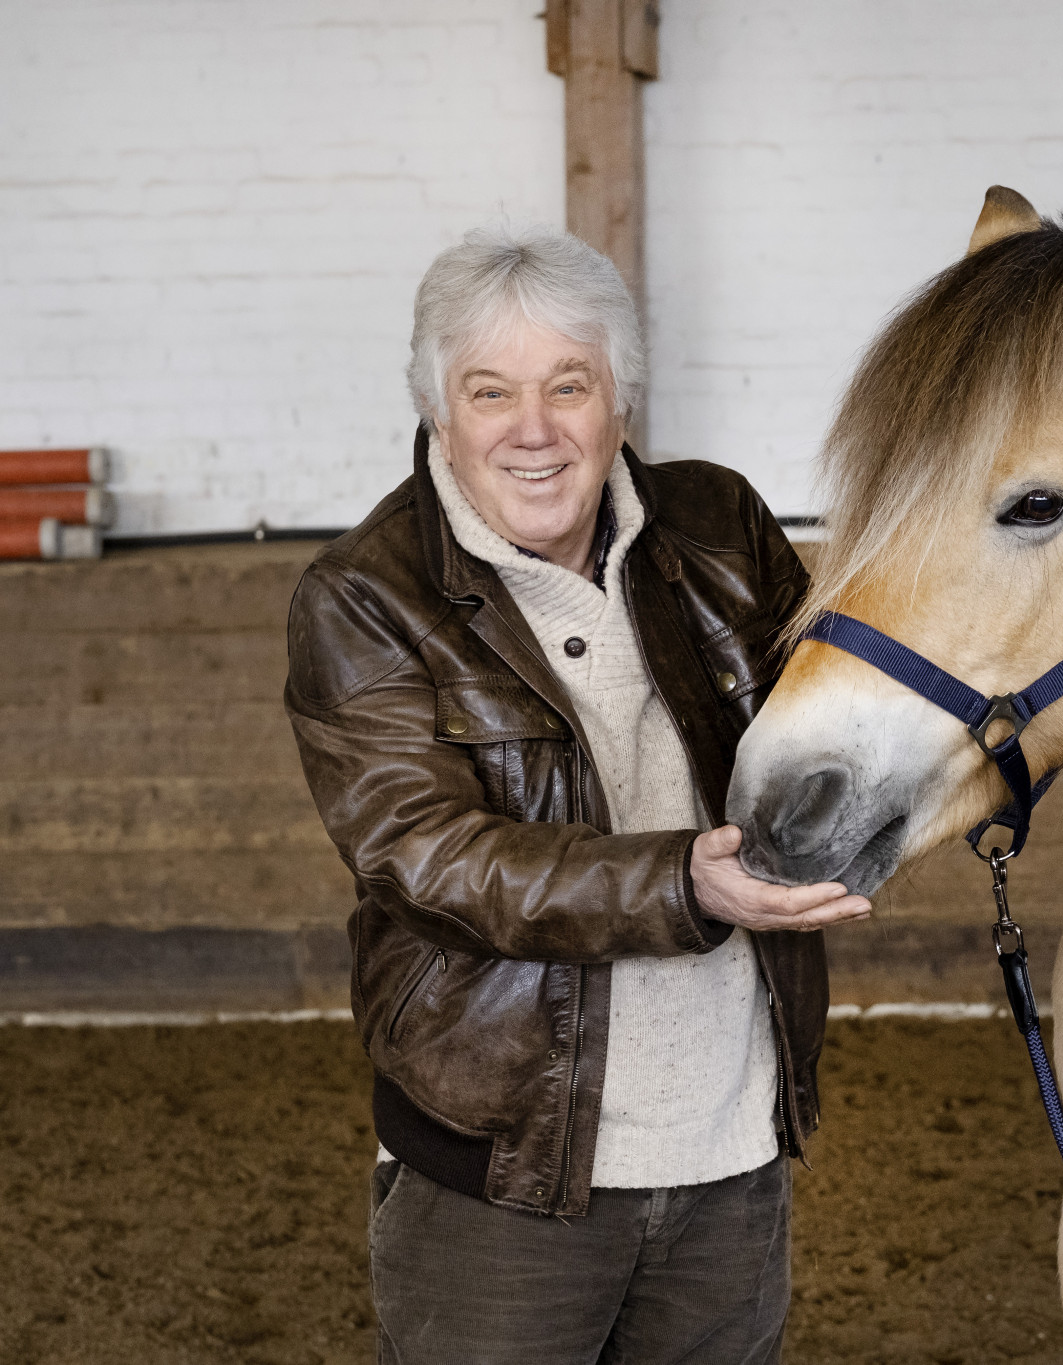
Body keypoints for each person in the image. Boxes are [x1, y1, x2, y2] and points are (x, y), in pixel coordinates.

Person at [285, 226, 870, 1364]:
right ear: (439, 411)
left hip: (730, 1148)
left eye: (570, 384)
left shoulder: (722, 528)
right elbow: (429, 856)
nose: (534, 430)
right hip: (505, 1170)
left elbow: (835, 727)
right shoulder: (364, 595)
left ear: (621, 401)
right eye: (489, 390)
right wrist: (680, 885)